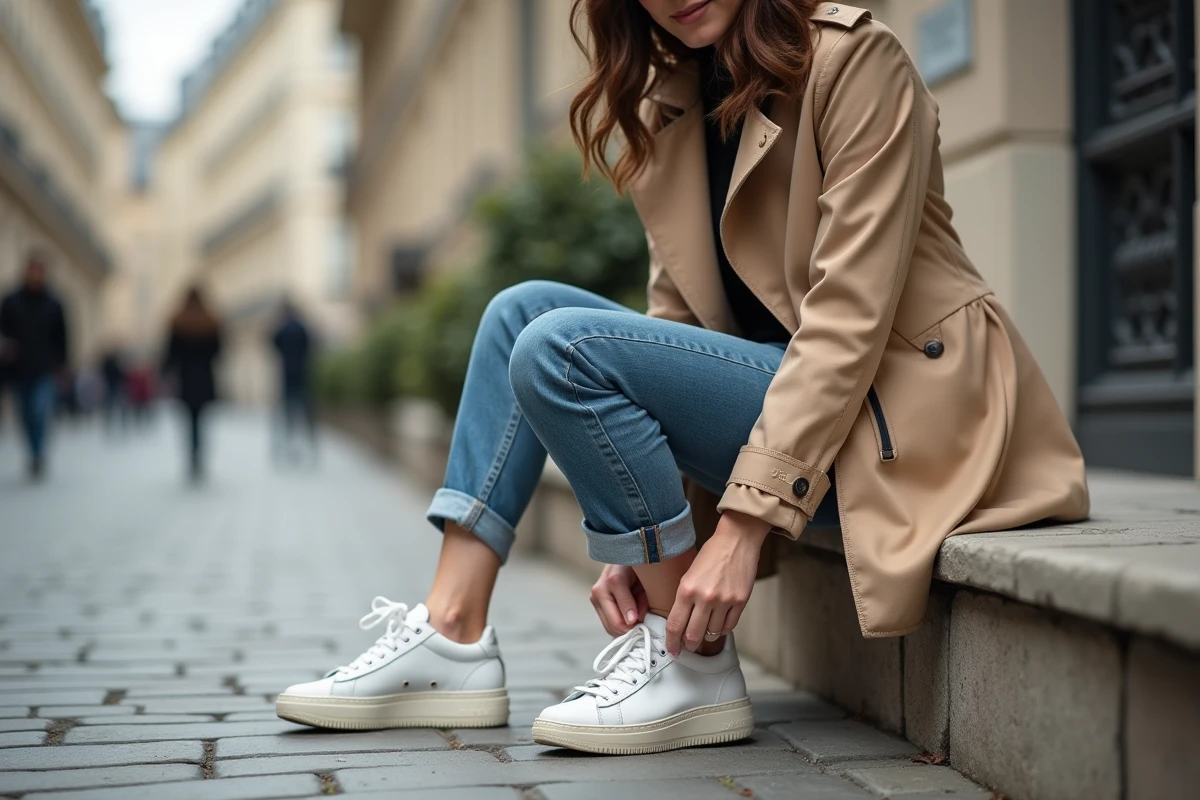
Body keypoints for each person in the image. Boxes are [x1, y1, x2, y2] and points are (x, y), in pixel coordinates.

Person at [275, 0, 1089, 755]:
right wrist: (637, 520)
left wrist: (739, 530)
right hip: (801, 422)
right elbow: (682, 335)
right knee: (521, 315)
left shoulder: (854, 62)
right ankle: (452, 630)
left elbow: (849, 322)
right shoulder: (675, 106)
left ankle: (689, 663)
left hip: (903, 425)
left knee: (559, 349)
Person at [0, 252, 68, 480]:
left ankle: (38, 454)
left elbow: (63, 337)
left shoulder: (54, 302)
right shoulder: (11, 300)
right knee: (26, 414)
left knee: (40, 411)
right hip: (18, 368)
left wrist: (62, 364)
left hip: (44, 367)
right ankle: (32, 451)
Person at [161, 287, 221, 482]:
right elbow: (218, 351)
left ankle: (192, 457)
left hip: (185, 378)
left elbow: (170, 353)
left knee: (189, 421)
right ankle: (199, 456)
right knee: (201, 420)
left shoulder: (179, 322)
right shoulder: (210, 321)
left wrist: (166, 373)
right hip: (204, 377)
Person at [270, 299, 316, 463]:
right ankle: (309, 448)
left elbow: (272, 344)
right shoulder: (302, 328)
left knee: (286, 413)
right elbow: (311, 346)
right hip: (303, 374)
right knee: (305, 413)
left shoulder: (281, 329)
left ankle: (287, 447)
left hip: (286, 375)